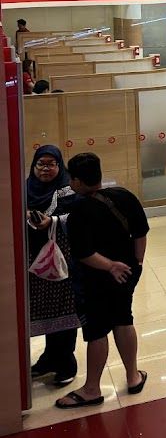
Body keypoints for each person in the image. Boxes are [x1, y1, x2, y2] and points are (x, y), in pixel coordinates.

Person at [55, 152, 149, 409]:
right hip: (126, 276)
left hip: (95, 281)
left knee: (97, 330)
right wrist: (136, 263)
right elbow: (140, 232)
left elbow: (84, 254)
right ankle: (132, 376)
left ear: (75, 181)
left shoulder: (79, 212)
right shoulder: (124, 196)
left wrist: (110, 266)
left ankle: (92, 389)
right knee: (123, 319)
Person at [26, 146, 80, 386]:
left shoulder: (68, 190)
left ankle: (66, 363)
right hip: (35, 261)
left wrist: (54, 221)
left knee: (63, 311)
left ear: (60, 166)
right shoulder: (25, 188)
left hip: (62, 260)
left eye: (51, 164)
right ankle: (49, 359)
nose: (45, 169)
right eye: (41, 164)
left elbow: (80, 216)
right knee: (45, 311)